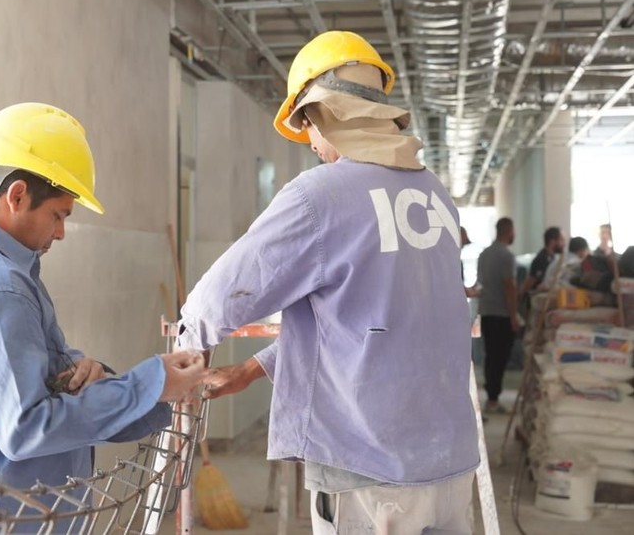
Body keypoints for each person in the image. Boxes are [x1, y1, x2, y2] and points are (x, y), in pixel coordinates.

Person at [176, 31, 478, 534]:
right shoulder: (434, 195)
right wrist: (251, 369)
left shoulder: (320, 196)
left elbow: (224, 294)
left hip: (369, 469)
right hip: (447, 464)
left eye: (306, 127)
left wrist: (187, 348)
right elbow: (377, 325)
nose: (312, 145)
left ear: (321, 114)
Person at [0, 103, 205, 533]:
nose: (60, 232)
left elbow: (28, 378)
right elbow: (27, 428)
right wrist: (151, 385)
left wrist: (81, 373)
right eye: (58, 215)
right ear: (17, 196)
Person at [476, 217, 521, 414]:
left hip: (486, 312)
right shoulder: (506, 256)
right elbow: (509, 286)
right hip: (501, 314)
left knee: (490, 356)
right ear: (509, 231)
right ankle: (494, 398)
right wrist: (514, 316)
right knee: (500, 358)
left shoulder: (484, 254)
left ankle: (491, 398)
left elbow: (480, 284)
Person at [520, 226, 565, 294]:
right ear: (552, 241)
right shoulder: (541, 260)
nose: (564, 244)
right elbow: (529, 283)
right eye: (561, 240)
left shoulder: (554, 258)